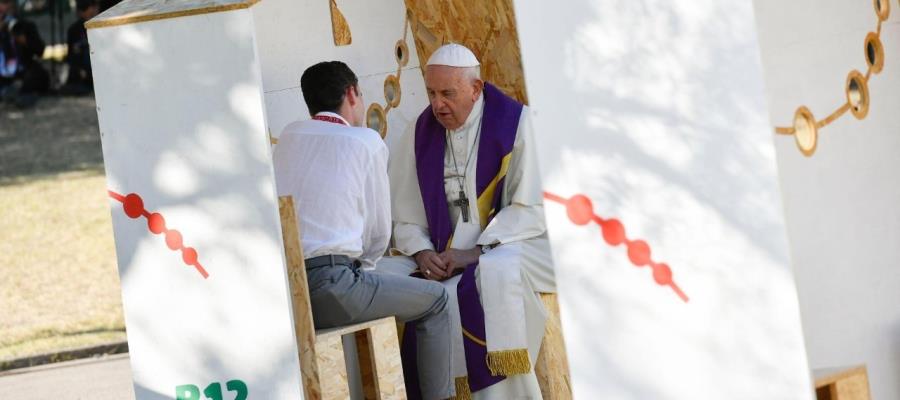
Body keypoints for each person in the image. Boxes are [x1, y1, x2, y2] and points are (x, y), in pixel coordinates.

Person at [381, 43, 556, 399]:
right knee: (379, 278)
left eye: (448, 93)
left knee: (493, 277)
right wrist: (421, 252)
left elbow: (531, 209)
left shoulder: (516, 124)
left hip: (508, 242)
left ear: (475, 89)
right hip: (443, 256)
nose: (437, 104)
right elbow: (405, 213)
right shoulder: (420, 133)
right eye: (431, 93)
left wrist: (474, 252)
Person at [271, 61, 453, 400]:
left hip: (288, 293)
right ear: (352, 93)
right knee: (437, 300)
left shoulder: (290, 137)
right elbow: (378, 234)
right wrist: (365, 271)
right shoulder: (365, 140)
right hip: (335, 286)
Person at [0, 0, 48, 108]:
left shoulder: (25, 25)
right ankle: (11, 91)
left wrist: (24, 40)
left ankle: (21, 93)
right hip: (3, 74)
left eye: (5, 3)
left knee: (37, 75)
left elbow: (40, 50)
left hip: (23, 70)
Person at [61, 0, 98, 95]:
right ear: (81, 13)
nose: (93, 14)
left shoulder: (98, 28)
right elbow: (71, 55)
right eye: (89, 13)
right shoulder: (74, 30)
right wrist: (79, 70)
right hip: (82, 70)